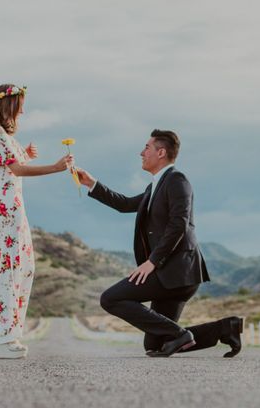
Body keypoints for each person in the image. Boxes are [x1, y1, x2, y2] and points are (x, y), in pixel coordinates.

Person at [76, 129, 243, 357]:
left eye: (146, 147)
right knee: (155, 345)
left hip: (178, 271)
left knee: (110, 298)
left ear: (161, 152)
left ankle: (179, 334)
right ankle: (226, 328)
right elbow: (125, 204)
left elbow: (179, 224)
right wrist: (91, 184)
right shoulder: (154, 186)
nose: (141, 153)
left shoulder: (177, 180)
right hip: (170, 275)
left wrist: (152, 262)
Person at [0, 84, 73, 359]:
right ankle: (2, 335)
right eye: (20, 103)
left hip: (13, 204)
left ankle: (5, 331)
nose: (23, 110)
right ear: (10, 104)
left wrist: (25, 153)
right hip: (6, 205)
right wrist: (54, 167)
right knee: (12, 267)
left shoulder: (1, 133)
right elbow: (14, 169)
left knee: (24, 266)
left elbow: (10, 166)